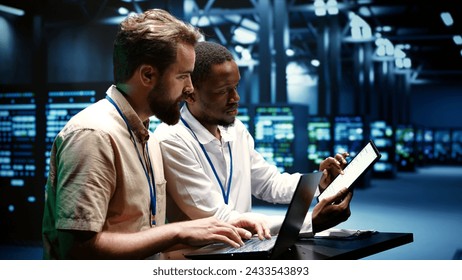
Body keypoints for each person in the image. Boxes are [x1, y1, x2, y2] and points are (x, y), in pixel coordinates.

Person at [42, 9, 268, 260]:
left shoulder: (147, 136)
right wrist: (178, 232)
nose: (190, 88)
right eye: (183, 76)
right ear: (148, 75)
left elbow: (142, 233)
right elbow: (78, 249)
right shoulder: (93, 135)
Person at [153, 41, 353, 237]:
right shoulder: (172, 140)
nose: (235, 98)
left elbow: (270, 184)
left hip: (242, 247)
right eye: (223, 91)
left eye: (236, 87)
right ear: (189, 95)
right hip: (200, 258)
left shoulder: (235, 130)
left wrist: (320, 182)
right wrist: (310, 222)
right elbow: (221, 219)